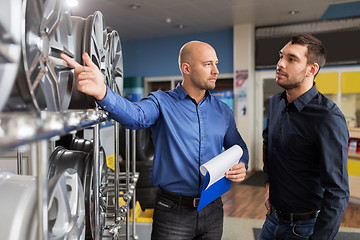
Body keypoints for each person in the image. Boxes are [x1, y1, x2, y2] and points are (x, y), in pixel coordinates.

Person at [61, 40, 249, 239]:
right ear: (187, 68)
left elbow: (239, 147)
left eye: (216, 63)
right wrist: (103, 93)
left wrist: (242, 163)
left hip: (213, 209)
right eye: (208, 64)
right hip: (172, 211)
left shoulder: (223, 111)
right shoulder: (161, 102)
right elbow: (136, 115)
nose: (216, 70)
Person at [258, 34, 349, 240]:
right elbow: (268, 143)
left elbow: (338, 192)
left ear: (312, 69)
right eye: (281, 56)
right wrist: (269, 184)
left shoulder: (328, 117)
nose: (280, 64)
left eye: (291, 59)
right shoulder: (276, 103)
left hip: (304, 228)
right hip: (271, 221)